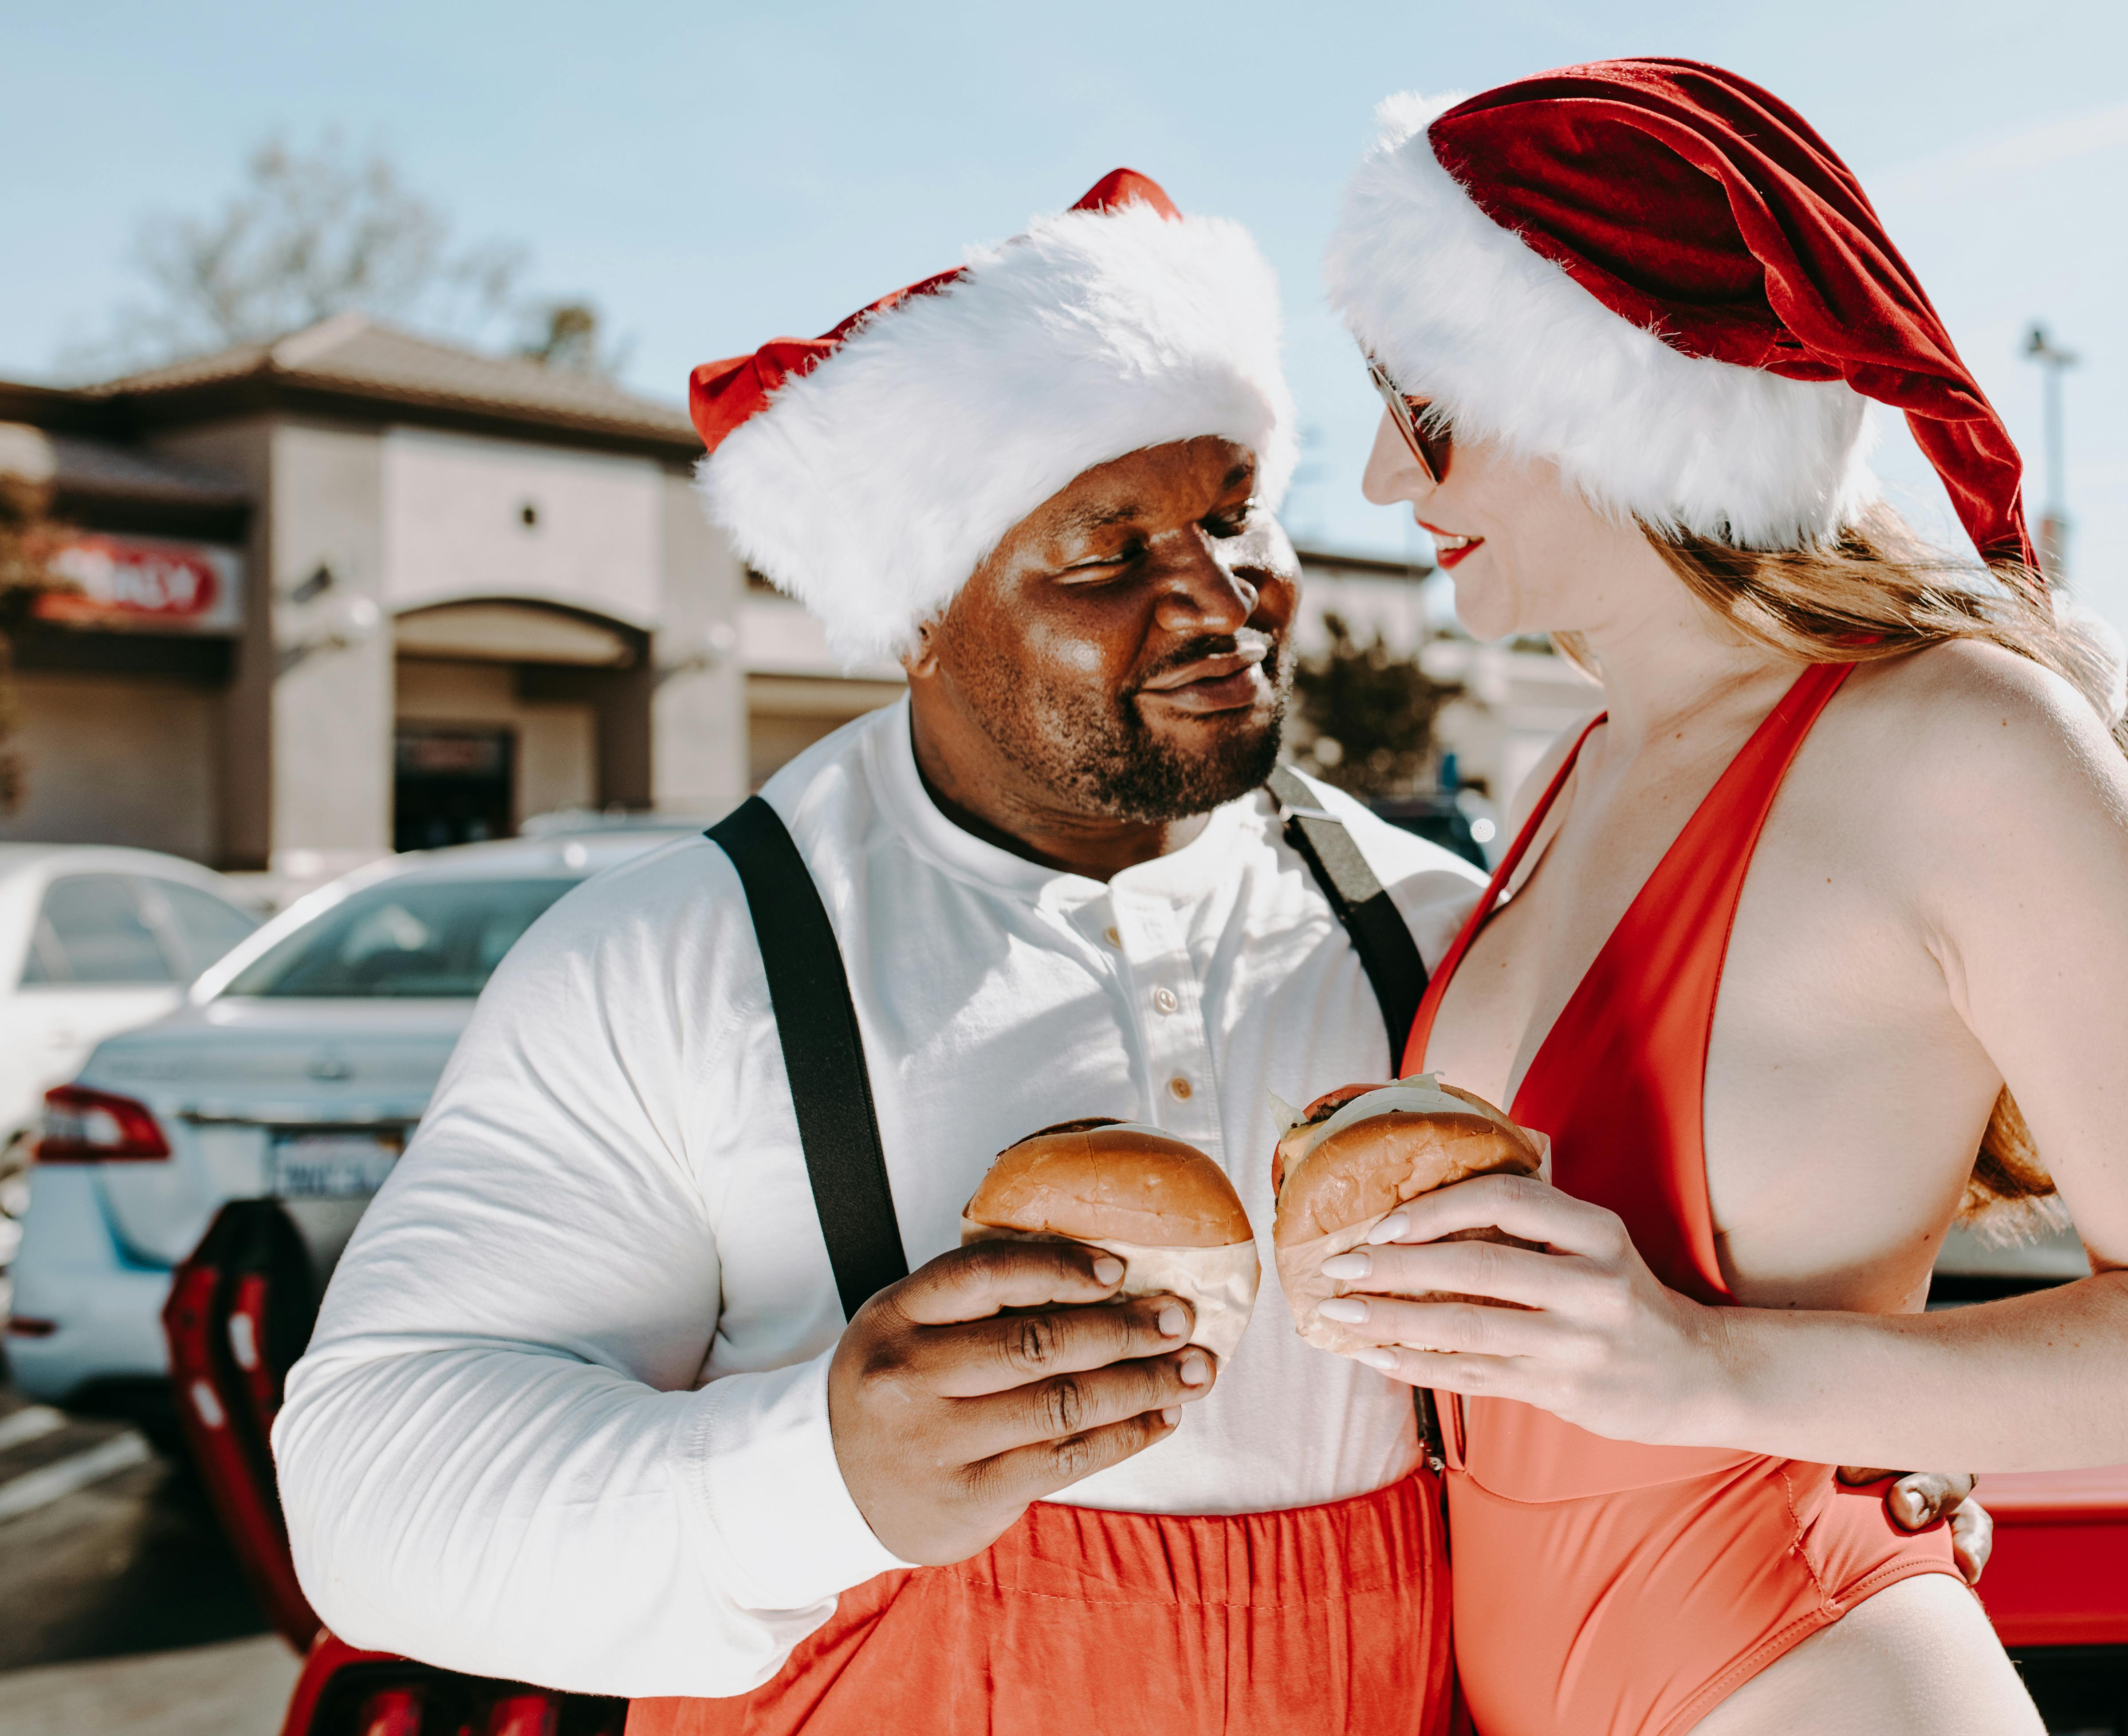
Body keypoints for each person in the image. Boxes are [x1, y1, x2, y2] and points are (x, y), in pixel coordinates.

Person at [269, 164, 1991, 1734]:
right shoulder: (674, 962)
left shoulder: (1442, 929)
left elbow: (1698, 1315)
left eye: (1235, 515)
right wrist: (817, 1469)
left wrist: (1842, 1434)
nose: (1223, 593)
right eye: (1110, 553)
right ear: (923, 608)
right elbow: (367, 1499)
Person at [1315, 61, 2128, 1736]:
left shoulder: (1959, 741)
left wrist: (1714, 1372)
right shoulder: (1584, 766)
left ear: (1610, 388)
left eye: (1424, 410)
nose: (1379, 483)